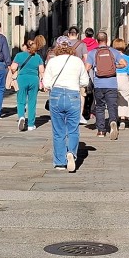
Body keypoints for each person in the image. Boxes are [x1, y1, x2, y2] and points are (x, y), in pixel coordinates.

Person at [44, 36, 89, 172]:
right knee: (73, 129)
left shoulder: (52, 61)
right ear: (70, 47)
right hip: (73, 95)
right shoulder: (77, 61)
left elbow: (46, 83)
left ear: (57, 47)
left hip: (56, 95)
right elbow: (85, 82)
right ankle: (72, 153)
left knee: (58, 131)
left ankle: (59, 162)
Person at [85, 32, 127, 140]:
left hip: (99, 84)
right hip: (112, 84)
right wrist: (113, 66)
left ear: (97, 41)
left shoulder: (92, 53)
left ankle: (101, 131)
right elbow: (124, 64)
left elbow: (87, 68)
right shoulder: (113, 52)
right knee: (112, 105)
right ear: (107, 40)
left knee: (100, 107)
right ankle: (113, 121)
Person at [11, 41, 45, 131]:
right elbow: (42, 71)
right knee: (32, 102)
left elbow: (13, 67)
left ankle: (21, 116)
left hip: (22, 79)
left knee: (21, 100)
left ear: (26, 46)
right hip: (34, 79)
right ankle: (31, 124)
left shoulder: (19, 55)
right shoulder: (38, 57)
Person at [112, 38, 129, 130]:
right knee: (124, 99)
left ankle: (115, 117)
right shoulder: (127, 58)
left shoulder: (112, 56)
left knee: (113, 99)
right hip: (123, 78)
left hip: (113, 78)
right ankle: (122, 119)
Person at [67, 26, 89, 125]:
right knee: (81, 93)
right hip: (78, 71)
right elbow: (86, 58)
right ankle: (79, 115)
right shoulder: (82, 44)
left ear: (68, 34)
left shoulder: (64, 44)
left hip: (66, 72)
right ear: (78, 34)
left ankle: (68, 114)